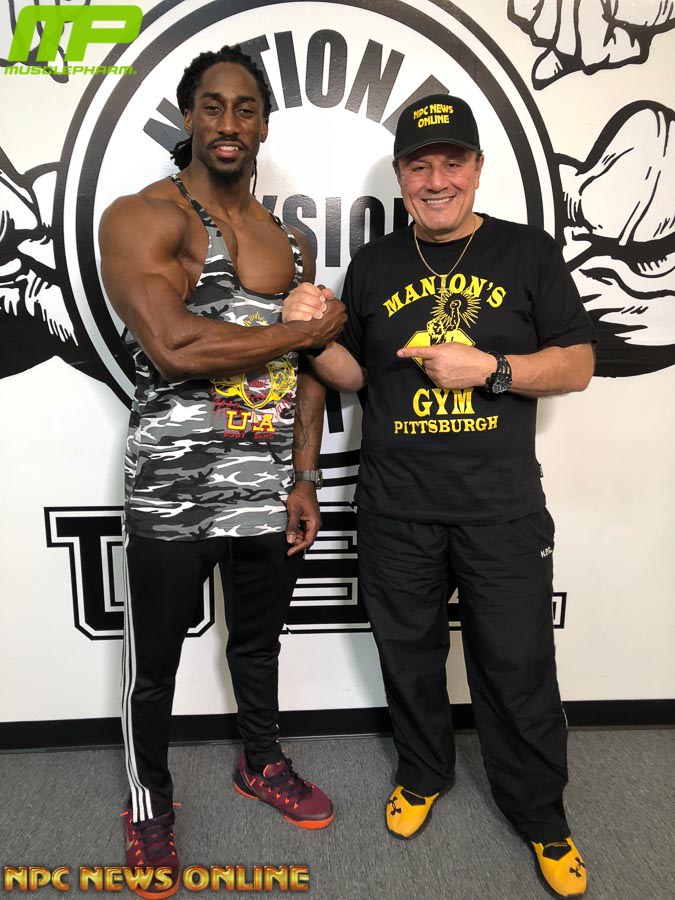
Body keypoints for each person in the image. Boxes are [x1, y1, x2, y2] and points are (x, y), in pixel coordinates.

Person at [290, 94, 595, 899]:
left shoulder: (526, 252)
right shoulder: (374, 266)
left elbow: (576, 363)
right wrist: (309, 334)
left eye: (451, 163)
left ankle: (541, 816)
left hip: (500, 507)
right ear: (400, 176)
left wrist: (490, 369)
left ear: (477, 169)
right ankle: (423, 773)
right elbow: (351, 375)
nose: (436, 181)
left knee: (518, 666)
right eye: (419, 165)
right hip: (396, 507)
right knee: (409, 657)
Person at [99, 45, 346, 899]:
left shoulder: (290, 240)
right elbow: (174, 347)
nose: (229, 123)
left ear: (263, 124)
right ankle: (149, 805)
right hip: (171, 485)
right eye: (212, 106)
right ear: (189, 117)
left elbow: (308, 376)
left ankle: (260, 760)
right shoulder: (143, 217)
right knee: (154, 666)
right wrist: (300, 333)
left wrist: (304, 476)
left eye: (245, 108)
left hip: (264, 482)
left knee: (258, 641)